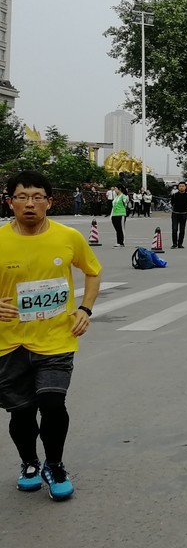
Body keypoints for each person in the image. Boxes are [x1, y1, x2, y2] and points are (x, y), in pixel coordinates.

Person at [0, 171, 101, 500]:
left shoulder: (68, 237)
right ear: (10, 201)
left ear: (49, 201)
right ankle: (29, 463)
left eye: (37, 197)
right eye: (22, 197)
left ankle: (54, 465)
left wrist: (84, 309)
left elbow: (93, 271)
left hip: (56, 337)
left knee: (53, 402)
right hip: (8, 342)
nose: (30, 203)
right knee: (22, 412)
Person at [170, 182, 187, 248]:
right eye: (180, 186)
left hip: (183, 214)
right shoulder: (174, 195)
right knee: (174, 229)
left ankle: (180, 243)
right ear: (178, 187)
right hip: (175, 214)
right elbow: (172, 203)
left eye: (183, 186)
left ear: (185, 187)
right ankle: (174, 243)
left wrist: (186, 209)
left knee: (182, 230)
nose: (181, 187)